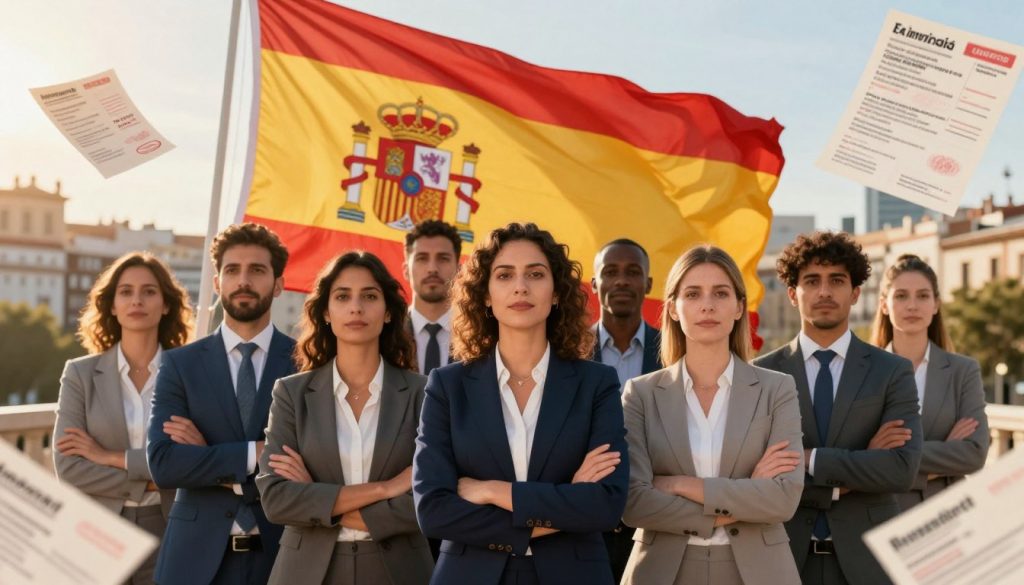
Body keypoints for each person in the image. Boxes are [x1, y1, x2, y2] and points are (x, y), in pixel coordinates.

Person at [413, 222, 628, 585]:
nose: (520, 286)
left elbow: (605, 505)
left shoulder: (597, 384)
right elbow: (433, 511)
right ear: (484, 295)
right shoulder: (447, 386)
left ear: (557, 292)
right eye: (504, 275)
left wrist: (492, 491)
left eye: (536, 274)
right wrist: (567, 500)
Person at [620, 244, 803, 585]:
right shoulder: (640, 394)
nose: (707, 305)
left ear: (738, 308)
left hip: (759, 572)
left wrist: (679, 485)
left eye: (720, 293)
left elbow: (783, 499)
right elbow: (634, 503)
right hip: (662, 571)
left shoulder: (777, 389)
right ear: (672, 308)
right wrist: (747, 492)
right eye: (692, 293)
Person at [754, 231, 921, 585]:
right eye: (812, 281)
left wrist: (808, 459)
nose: (824, 292)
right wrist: (858, 464)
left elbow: (900, 470)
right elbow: (753, 473)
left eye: (837, 281)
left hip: (869, 562)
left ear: (856, 293)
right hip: (782, 557)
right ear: (792, 294)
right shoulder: (761, 374)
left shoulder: (892, 370)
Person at [256, 251, 433, 585]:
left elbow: (429, 499)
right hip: (305, 572)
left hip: (400, 571)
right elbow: (277, 499)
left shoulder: (424, 394)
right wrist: (386, 487)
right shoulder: (291, 393)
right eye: (342, 296)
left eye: (369, 296)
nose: (356, 307)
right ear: (326, 312)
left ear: (388, 313)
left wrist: (318, 500)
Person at [147, 223, 296, 585]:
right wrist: (255, 453)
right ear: (217, 283)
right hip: (194, 560)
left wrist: (207, 455)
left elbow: (312, 463)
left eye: (257, 270)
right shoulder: (180, 364)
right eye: (232, 270)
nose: (243, 280)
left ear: (278, 284)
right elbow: (164, 465)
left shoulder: (306, 364)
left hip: (282, 556)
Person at [53, 251, 192, 584]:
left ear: (167, 304)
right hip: (97, 531)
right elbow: (68, 467)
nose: (137, 300)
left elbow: (193, 465)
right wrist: (147, 481)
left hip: (170, 527)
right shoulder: (80, 375)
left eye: (149, 291)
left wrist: (106, 457)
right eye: (126, 292)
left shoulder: (191, 375)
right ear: (112, 305)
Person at [869, 254, 989, 510]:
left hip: (947, 517)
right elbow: (856, 457)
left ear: (936, 304)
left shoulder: (963, 371)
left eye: (923, 296)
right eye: (901, 296)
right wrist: (945, 453)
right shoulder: (863, 372)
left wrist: (890, 459)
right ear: (884, 305)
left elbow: (975, 453)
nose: (912, 305)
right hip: (877, 515)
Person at [589, 237, 661, 581]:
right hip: (585, 524)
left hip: (655, 522)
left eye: (633, 272)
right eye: (610, 272)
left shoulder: (676, 353)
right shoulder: (566, 353)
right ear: (594, 283)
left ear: (647, 283)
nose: (621, 281)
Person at [403, 220, 461, 376]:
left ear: (459, 269)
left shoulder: (479, 338)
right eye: (422, 258)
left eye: (443, 258)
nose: (432, 269)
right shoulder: (384, 335)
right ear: (406, 270)